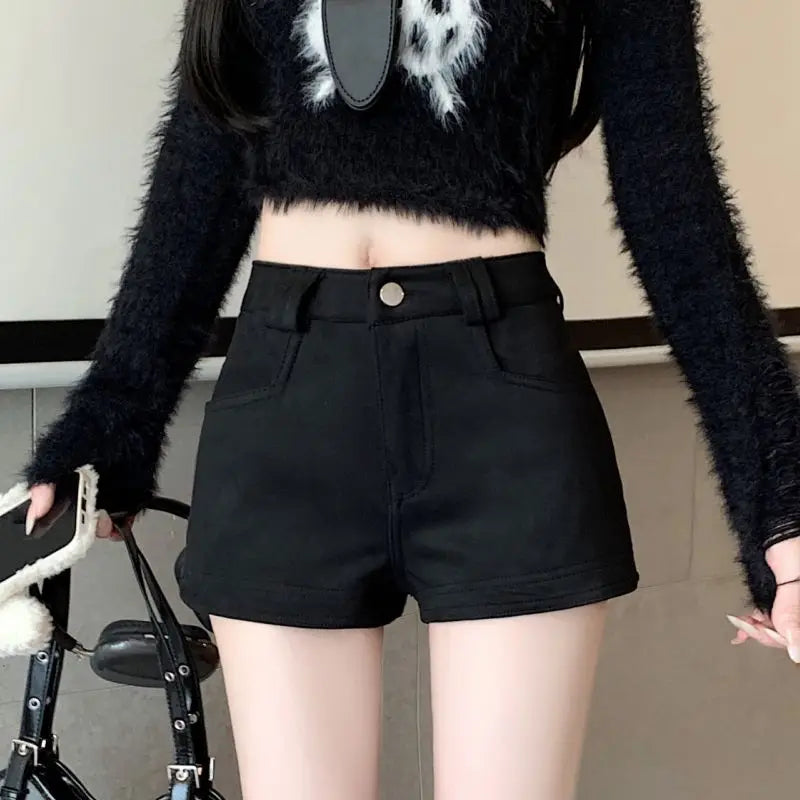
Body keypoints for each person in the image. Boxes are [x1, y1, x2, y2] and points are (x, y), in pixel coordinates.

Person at [17, 1, 800, 797]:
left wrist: (782, 507)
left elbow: (674, 204)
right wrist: (110, 422)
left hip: (500, 405)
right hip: (290, 396)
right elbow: (201, 173)